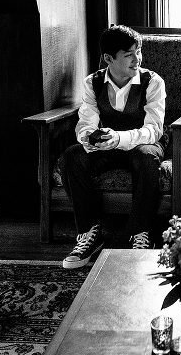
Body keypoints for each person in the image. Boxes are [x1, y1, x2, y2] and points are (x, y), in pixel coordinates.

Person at [59, 25, 167, 269]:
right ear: (109, 58)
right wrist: (90, 137)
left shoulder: (153, 82)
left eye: (138, 52)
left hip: (144, 145)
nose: (137, 59)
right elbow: (86, 123)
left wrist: (118, 138)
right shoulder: (93, 83)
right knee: (71, 157)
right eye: (129, 54)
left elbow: (153, 130)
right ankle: (90, 234)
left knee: (146, 157)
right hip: (106, 147)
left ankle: (139, 234)